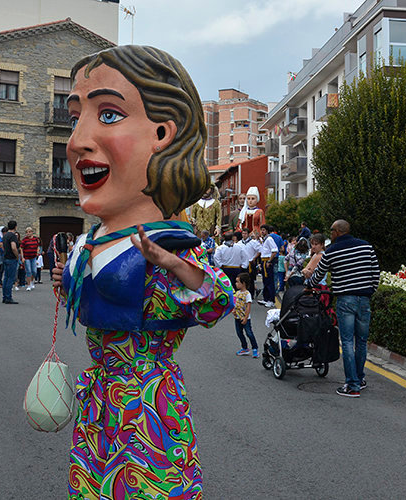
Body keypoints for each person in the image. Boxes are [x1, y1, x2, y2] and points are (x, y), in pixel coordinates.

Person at [53, 45, 234, 499]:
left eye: (108, 115)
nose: (76, 140)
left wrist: (174, 264)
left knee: (148, 488)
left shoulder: (168, 243)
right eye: (76, 117)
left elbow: (218, 301)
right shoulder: (93, 242)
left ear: (163, 133)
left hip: (146, 405)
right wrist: (66, 287)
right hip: (100, 402)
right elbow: (99, 307)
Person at [305, 219, 380, 398]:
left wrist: (308, 285)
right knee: (361, 341)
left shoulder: (332, 251)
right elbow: (375, 272)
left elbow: (318, 275)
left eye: (331, 231)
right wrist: (370, 291)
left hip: (346, 300)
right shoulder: (366, 247)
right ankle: (360, 379)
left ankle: (352, 385)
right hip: (364, 299)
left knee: (346, 341)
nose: (330, 235)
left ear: (337, 232)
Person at [233, 272, 258, 357]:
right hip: (237, 317)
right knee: (239, 333)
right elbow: (235, 303)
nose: (236, 284)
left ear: (243, 283)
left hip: (245, 318)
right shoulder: (237, 293)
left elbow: (248, 307)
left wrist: (246, 318)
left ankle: (255, 348)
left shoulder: (247, 294)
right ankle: (245, 348)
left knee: (249, 333)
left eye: (237, 282)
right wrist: (233, 310)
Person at [257, 225, 279, 308]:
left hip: (267, 261)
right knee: (265, 280)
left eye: (264, 230)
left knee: (269, 281)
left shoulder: (269, 239)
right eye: (261, 230)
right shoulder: (264, 240)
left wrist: (269, 261)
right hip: (263, 261)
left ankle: (271, 300)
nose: (262, 232)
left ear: (267, 231)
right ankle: (266, 298)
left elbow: (274, 250)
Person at [1, 220, 20, 304]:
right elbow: (13, 247)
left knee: (6, 278)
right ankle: (8, 297)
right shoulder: (13, 236)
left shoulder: (5, 236)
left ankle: (5, 296)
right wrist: (17, 256)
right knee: (10, 278)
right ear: (15, 226)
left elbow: (2, 246)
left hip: (5, 257)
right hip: (11, 258)